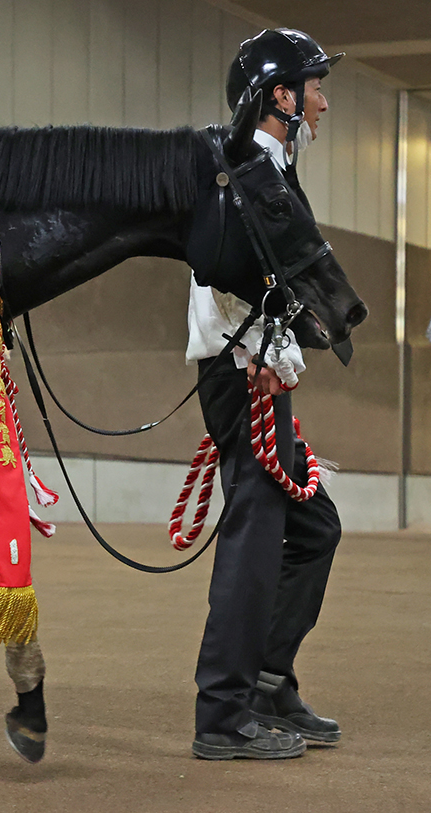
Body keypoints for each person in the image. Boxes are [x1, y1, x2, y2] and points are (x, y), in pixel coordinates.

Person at [186, 28, 345, 761]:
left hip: (259, 367)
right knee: (253, 537)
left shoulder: (271, 166)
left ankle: (269, 678)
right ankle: (221, 713)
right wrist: (255, 354)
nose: (321, 101)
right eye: (314, 86)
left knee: (313, 529)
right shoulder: (246, 167)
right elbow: (218, 274)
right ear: (281, 96)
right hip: (241, 370)